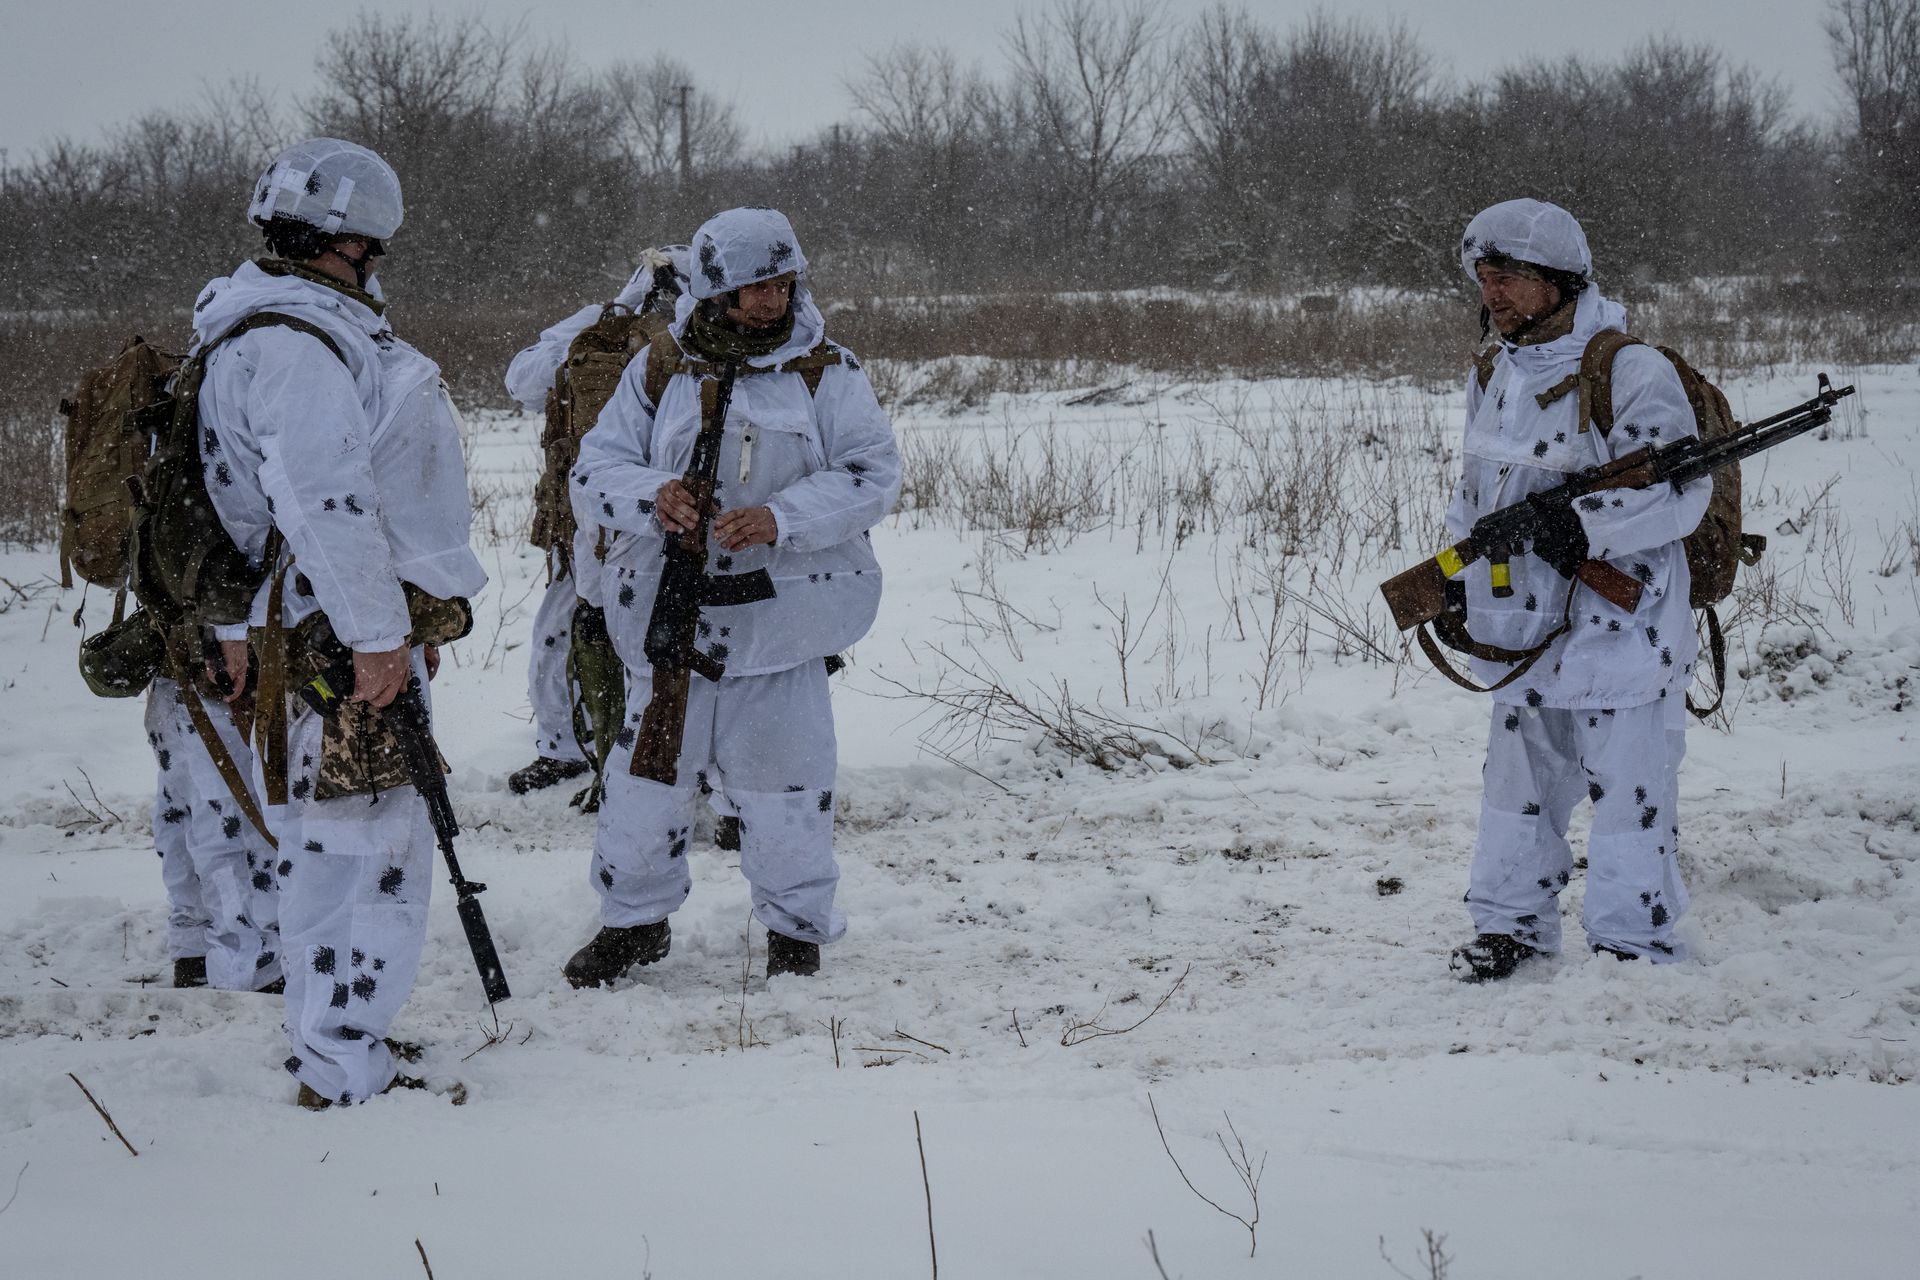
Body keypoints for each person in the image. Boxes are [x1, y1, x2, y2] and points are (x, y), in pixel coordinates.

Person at [194, 137, 487, 1104]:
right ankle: (339, 1056)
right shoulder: (294, 345)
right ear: (355, 240)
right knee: (364, 847)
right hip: (335, 627)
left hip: (318, 616)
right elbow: (326, 500)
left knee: (342, 839)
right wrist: (376, 637)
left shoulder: (273, 330)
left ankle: (336, 1039)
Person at [562, 206, 901, 985]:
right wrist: (658, 498)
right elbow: (595, 469)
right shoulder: (658, 369)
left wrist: (782, 519)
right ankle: (633, 924)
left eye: (782, 286)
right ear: (714, 292)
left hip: (782, 629)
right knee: (643, 792)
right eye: (753, 289)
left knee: (788, 792)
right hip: (668, 622)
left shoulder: (829, 370)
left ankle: (795, 932)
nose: (769, 303)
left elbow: (872, 472)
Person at [1445, 198, 1709, 982]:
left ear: (1559, 281)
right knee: (1514, 796)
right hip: (1523, 633)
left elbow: (1682, 494)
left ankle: (1634, 946)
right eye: (1484, 277)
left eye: (1508, 277)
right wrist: (1457, 573)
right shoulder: (1494, 370)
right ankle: (1511, 931)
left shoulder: (1630, 370)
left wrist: (1584, 528)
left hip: (1622, 633)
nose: (1491, 292)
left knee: (1630, 803)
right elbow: (1473, 487)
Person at [501, 246, 688, 798]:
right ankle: (564, 748)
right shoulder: (598, 332)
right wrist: (616, 311)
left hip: (658, 520)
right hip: (581, 515)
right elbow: (524, 380)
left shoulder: (702, 338)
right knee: (562, 634)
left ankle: (650, 763)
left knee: (654, 648)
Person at [146, 672, 281, 991]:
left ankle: (194, 948)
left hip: (172, 681)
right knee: (230, 830)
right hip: (213, 679)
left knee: (183, 809)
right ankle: (247, 962)